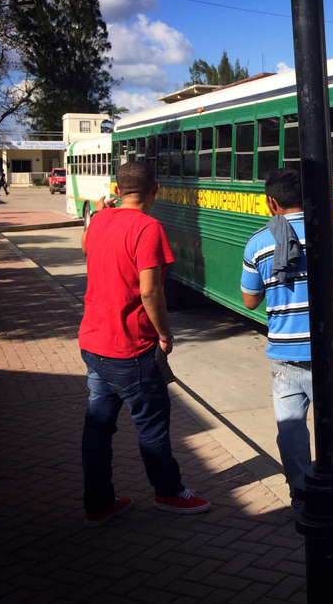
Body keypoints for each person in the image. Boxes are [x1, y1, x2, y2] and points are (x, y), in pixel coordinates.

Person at [78, 161, 210, 528]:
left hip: (93, 342)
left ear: (118, 190)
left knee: (97, 428)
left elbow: (86, 248)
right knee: (151, 425)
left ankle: (98, 503)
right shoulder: (149, 227)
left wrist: (101, 212)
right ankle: (168, 492)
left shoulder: (101, 219)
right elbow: (150, 291)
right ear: (156, 189)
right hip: (131, 348)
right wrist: (165, 334)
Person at [240, 168, 333, 506]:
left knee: (292, 429)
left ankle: (301, 495)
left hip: (284, 354)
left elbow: (250, 300)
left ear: (272, 202)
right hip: (330, 352)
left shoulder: (258, 243)